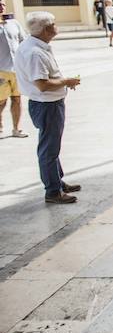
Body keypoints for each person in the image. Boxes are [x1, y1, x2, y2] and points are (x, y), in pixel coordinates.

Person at [13, 12, 81, 204]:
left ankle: (57, 182)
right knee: (49, 149)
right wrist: (66, 81)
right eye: (53, 24)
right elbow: (42, 84)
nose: (55, 26)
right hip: (47, 105)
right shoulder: (35, 52)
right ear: (45, 29)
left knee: (52, 146)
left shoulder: (35, 46)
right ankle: (53, 191)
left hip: (46, 104)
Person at [0, 0, 27, 138]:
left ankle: (17, 128)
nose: (1, 7)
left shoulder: (14, 23)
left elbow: (23, 41)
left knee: (17, 99)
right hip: (1, 71)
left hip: (16, 69)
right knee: (1, 101)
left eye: (3, 4)